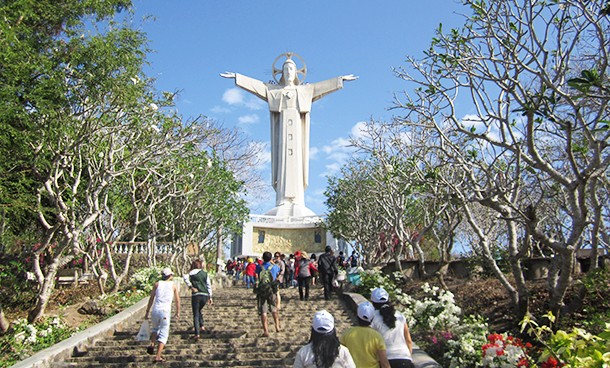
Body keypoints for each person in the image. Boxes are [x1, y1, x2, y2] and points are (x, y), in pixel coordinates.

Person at [221, 53, 357, 217]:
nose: (288, 71)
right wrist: (238, 77)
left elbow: (322, 87)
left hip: (297, 130)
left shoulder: (305, 90)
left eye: (291, 68)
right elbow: (256, 86)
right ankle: (283, 200)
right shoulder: (274, 91)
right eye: (285, 68)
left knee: (296, 164)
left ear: (297, 72)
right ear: (281, 72)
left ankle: (297, 201)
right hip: (282, 131)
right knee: (283, 164)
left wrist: (340, 80)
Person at [370, 288, 414, 368]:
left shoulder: (372, 318)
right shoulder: (400, 315)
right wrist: (408, 356)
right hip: (405, 358)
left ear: (373, 303)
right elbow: (409, 340)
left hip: (385, 360)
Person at [144, 267, 180, 363]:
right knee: (164, 333)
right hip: (165, 311)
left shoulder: (157, 284)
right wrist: (177, 311)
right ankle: (158, 356)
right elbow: (177, 300)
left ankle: (152, 344)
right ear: (170, 276)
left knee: (155, 329)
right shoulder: (173, 286)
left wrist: (147, 311)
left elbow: (151, 298)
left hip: (155, 310)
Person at [341, 302, 390, 368]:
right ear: (372, 318)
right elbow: (384, 363)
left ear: (357, 316)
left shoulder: (347, 334)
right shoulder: (377, 337)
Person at [183, 259, 213, 341]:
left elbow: (184, 277)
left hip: (196, 295)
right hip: (205, 294)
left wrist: (190, 286)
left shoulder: (191, 273)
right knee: (199, 310)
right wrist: (210, 297)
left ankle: (197, 333)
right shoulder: (205, 273)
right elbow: (208, 285)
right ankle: (202, 326)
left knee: (195, 314)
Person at [255, 251, 282, 337]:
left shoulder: (259, 267)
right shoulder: (274, 267)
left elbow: (256, 275)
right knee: (274, 308)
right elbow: (278, 272)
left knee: (263, 311)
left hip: (262, 290)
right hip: (271, 289)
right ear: (271, 258)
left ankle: (266, 331)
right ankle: (277, 326)